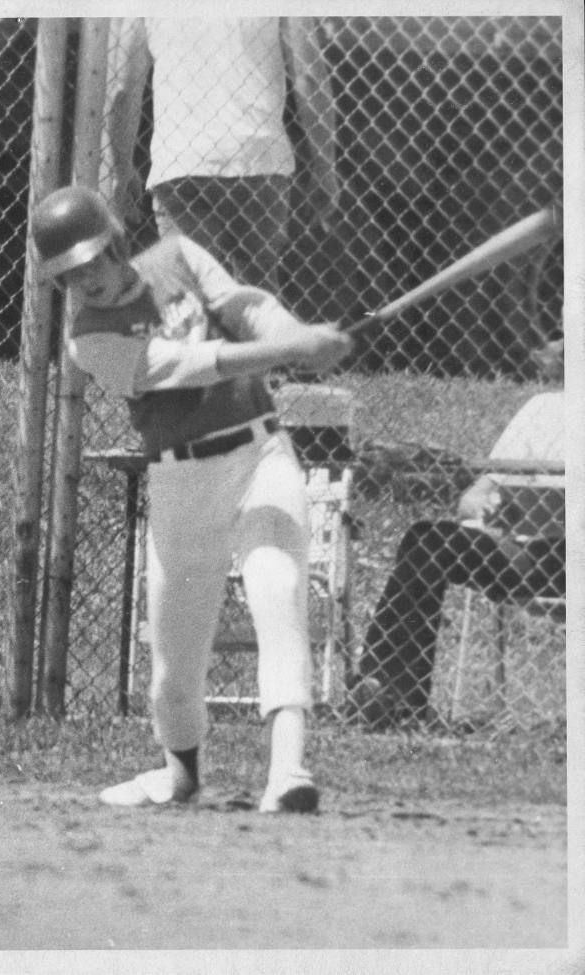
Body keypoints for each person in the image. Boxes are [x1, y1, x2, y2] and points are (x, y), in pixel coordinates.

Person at [31, 184, 352, 813]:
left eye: (92, 260)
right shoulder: (88, 338)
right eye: (70, 272)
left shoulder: (178, 255)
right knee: (174, 671)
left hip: (260, 453)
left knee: (277, 586)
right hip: (181, 482)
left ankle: (288, 770)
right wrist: (295, 350)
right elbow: (193, 363)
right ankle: (181, 774)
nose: (85, 278)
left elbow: (245, 306)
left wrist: (297, 332)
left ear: (116, 244)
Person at [350, 339, 566, 729]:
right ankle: (391, 693)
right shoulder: (544, 409)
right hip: (521, 549)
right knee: (427, 539)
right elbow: (476, 495)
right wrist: (485, 509)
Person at [107, 17, 340, 292]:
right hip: (257, 159)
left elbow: (124, 89)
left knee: (189, 295)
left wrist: (122, 169)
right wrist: (325, 165)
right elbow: (309, 77)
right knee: (258, 293)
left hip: (182, 160)